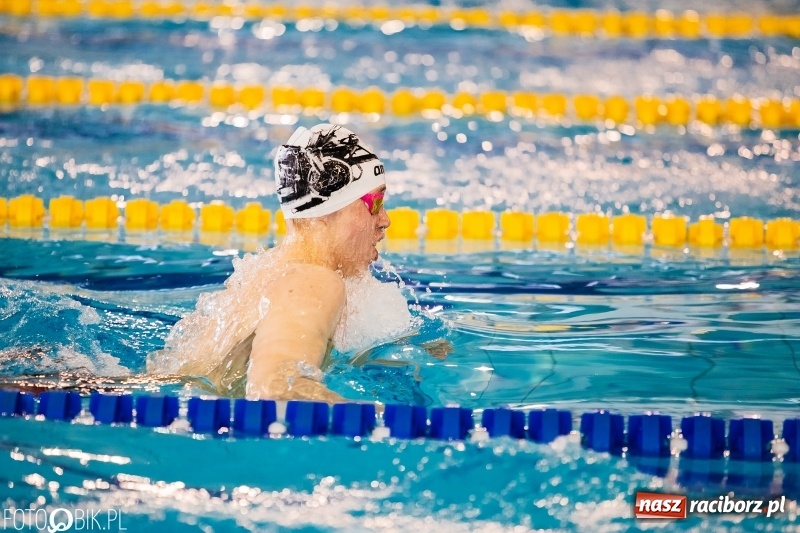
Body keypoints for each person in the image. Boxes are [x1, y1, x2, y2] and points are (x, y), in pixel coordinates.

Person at [147, 124, 409, 403]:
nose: (385, 220)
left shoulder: (273, 270)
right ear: (327, 209)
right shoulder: (314, 282)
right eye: (376, 202)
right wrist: (377, 419)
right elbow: (275, 389)